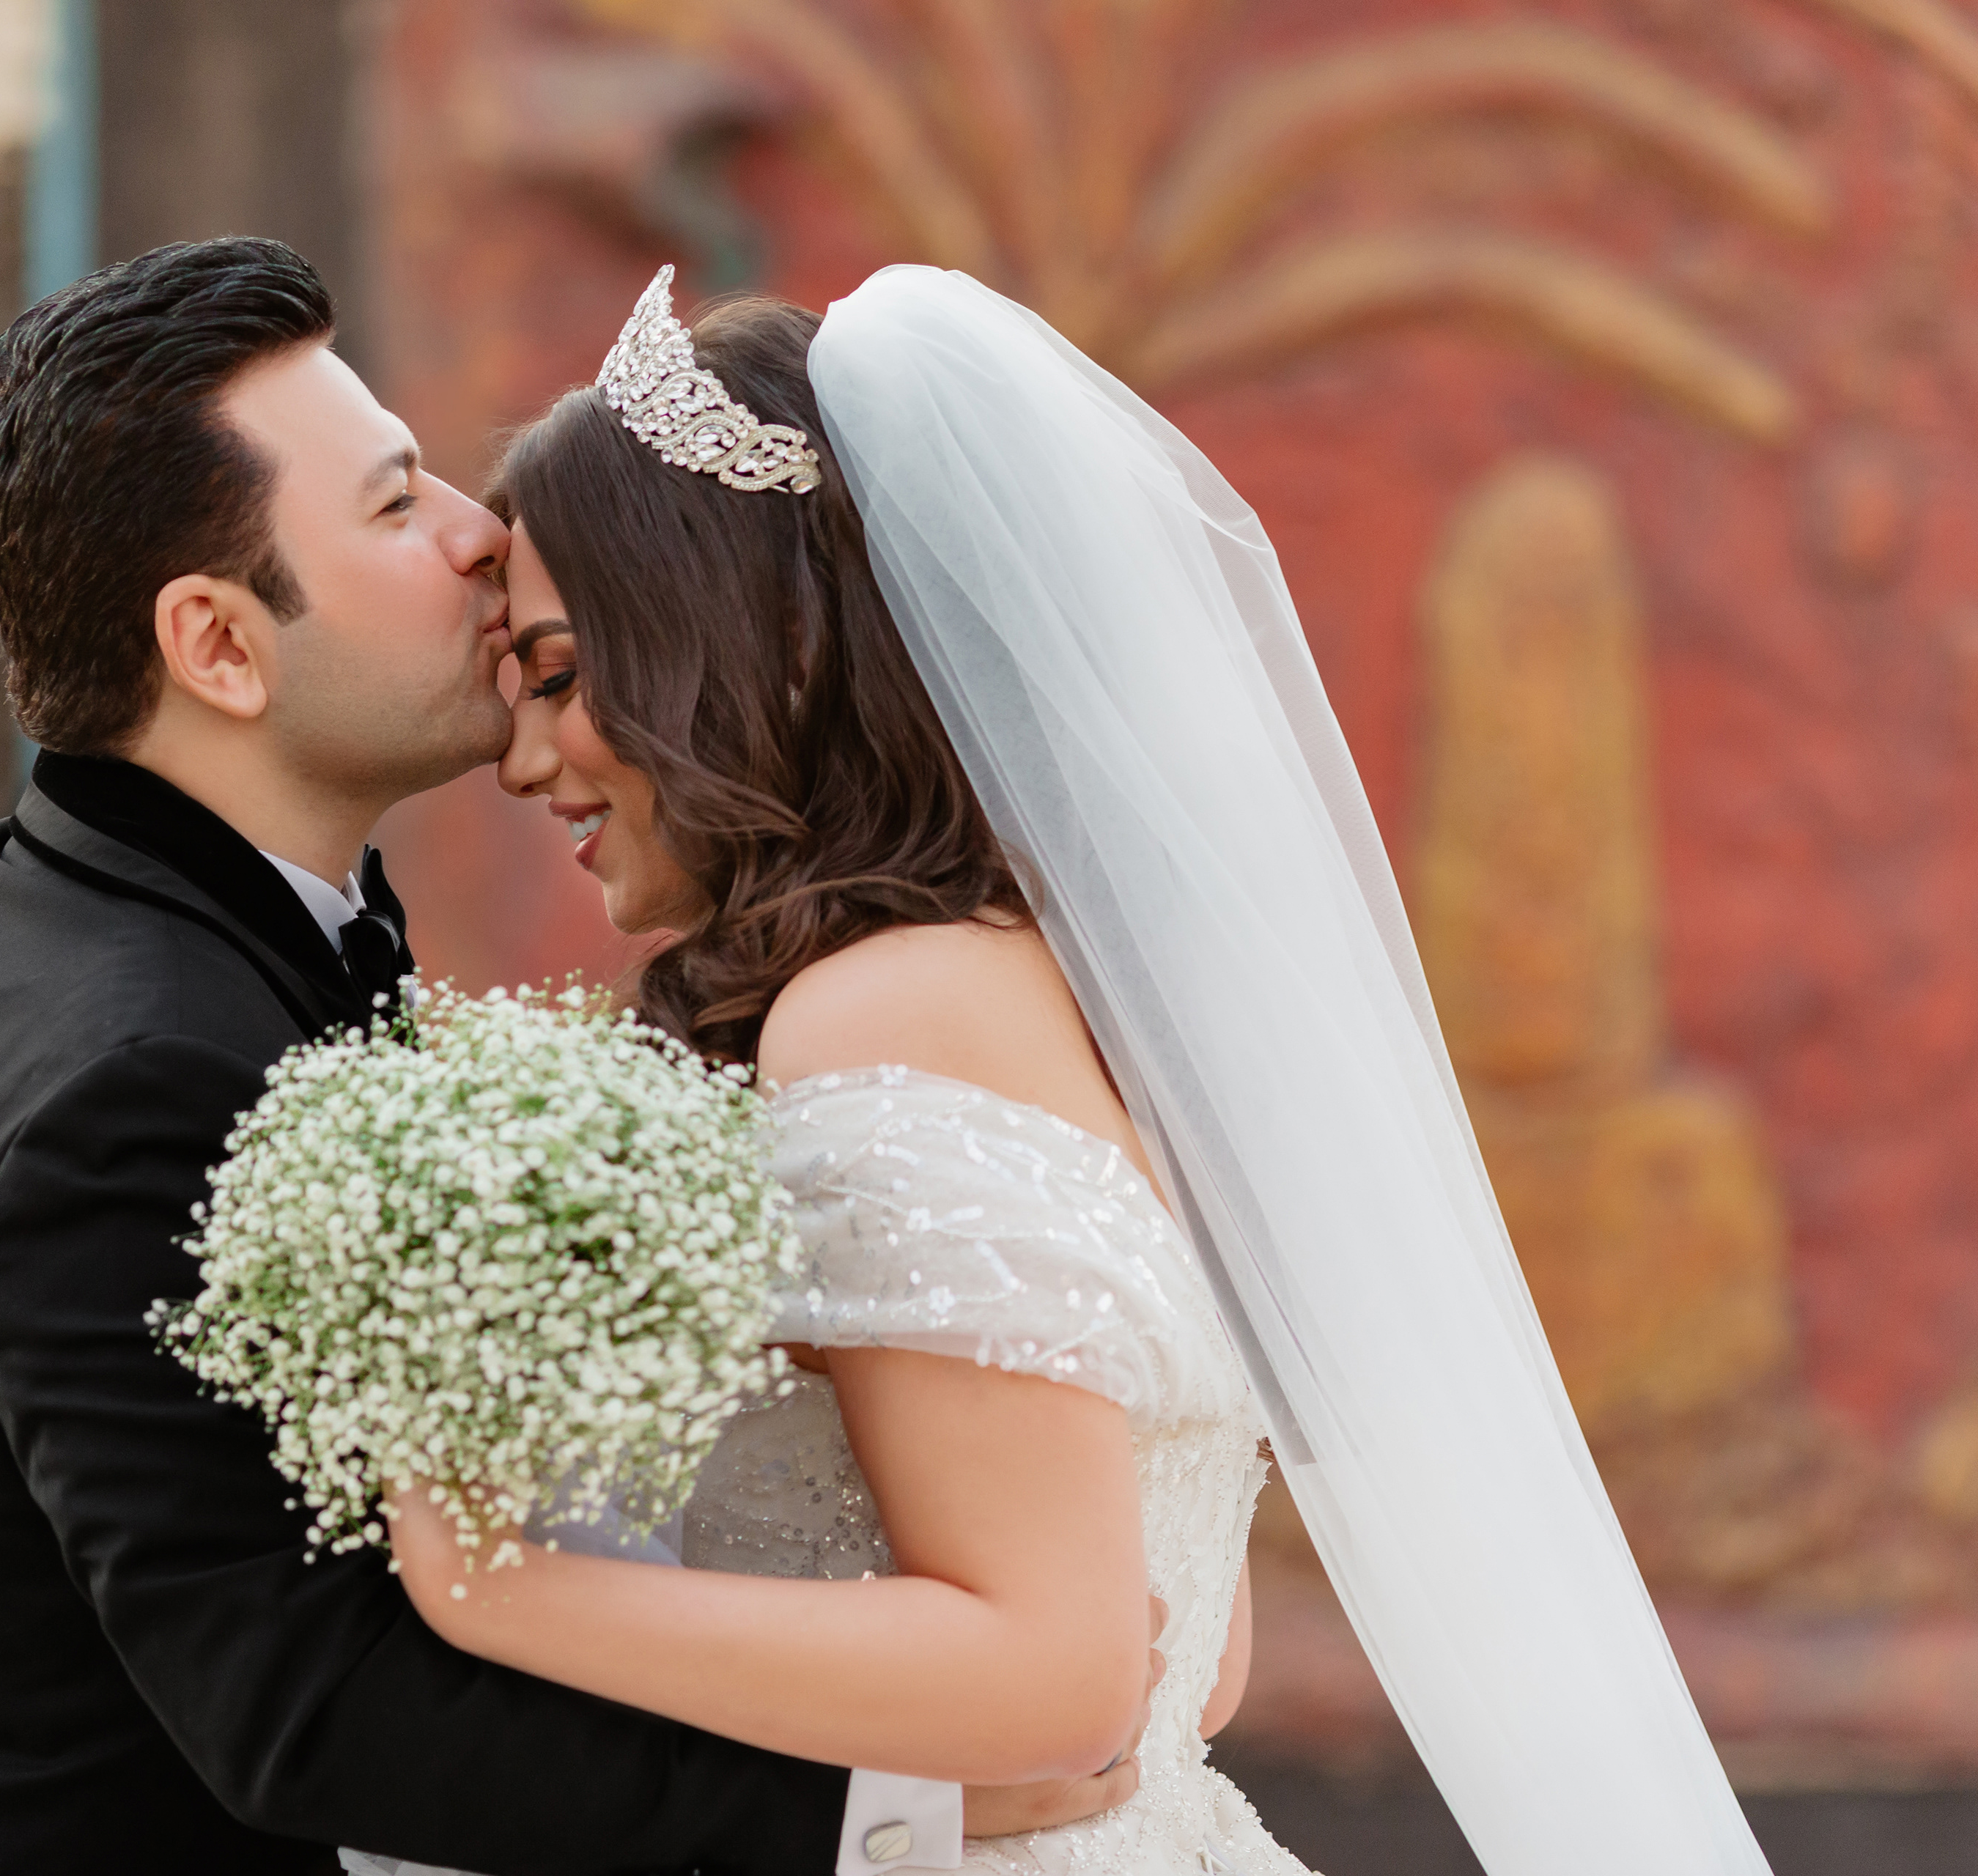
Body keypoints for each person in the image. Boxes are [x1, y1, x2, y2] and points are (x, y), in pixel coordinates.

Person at [0, 237, 1150, 1876]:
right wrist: (885, 1809)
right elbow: (302, 1701)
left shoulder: (171, 924)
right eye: (396, 506)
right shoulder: (123, 1077)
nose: (481, 537)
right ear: (222, 646)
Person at [374, 267, 1774, 1876]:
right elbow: (1200, 1651)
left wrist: (495, 1584)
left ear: (744, 648)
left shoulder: (879, 1012)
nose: (525, 755)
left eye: (557, 675)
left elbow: (1057, 1672)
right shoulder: (1075, 1002)